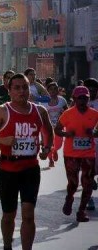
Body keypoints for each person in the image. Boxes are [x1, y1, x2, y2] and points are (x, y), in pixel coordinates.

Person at [0, 73, 53, 250]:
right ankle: (7, 246)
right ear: (9, 91)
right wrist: (1, 141)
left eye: (25, 87)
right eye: (17, 88)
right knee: (9, 215)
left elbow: (49, 131)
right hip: (7, 170)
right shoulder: (1, 112)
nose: (22, 91)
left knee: (28, 215)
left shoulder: (40, 111)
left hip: (30, 170)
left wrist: (47, 148)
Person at [54, 85, 98, 223]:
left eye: (85, 98)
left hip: (88, 154)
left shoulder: (94, 114)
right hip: (71, 154)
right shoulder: (68, 114)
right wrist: (67, 134)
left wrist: (94, 133)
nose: (83, 101)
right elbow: (57, 130)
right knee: (73, 183)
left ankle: (81, 211)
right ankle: (69, 198)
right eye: (80, 98)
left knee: (88, 183)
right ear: (74, 99)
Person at [41, 82, 68, 168]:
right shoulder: (44, 102)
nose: (53, 91)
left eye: (55, 89)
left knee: (58, 145)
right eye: (51, 89)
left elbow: (67, 112)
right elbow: (41, 115)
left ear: (58, 90)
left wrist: (63, 114)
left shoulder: (62, 100)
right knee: (47, 144)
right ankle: (50, 160)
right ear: (47, 91)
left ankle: (55, 150)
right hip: (47, 127)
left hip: (58, 127)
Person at [84, 78, 98, 211]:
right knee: (87, 173)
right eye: (89, 90)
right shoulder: (80, 104)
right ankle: (89, 199)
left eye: (94, 90)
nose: (91, 93)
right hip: (86, 145)